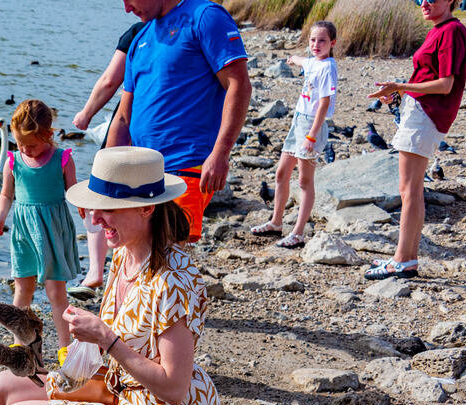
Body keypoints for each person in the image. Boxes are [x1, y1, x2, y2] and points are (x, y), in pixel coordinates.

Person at [0, 147, 224, 405]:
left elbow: (173, 387)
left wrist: (107, 339)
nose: (95, 220)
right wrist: (76, 362)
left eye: (107, 210)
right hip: (116, 390)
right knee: (1, 389)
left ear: (146, 209)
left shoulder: (174, 283)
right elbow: (108, 347)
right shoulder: (125, 256)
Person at [105, 0, 251, 243]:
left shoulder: (205, 16)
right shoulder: (140, 37)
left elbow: (239, 85)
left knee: (169, 258)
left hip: (184, 168)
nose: (127, 8)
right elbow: (122, 118)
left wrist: (220, 153)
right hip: (140, 173)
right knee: (132, 259)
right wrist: (104, 180)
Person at [365, 0, 466, 280]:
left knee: (410, 191)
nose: (424, 3)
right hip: (420, 112)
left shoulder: (451, 30)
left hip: (427, 115)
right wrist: (399, 94)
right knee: (408, 190)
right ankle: (406, 258)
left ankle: (403, 260)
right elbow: (429, 79)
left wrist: (401, 86)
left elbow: (445, 84)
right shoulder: (439, 29)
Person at [0, 99, 80, 358]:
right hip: (24, 233)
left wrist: (86, 207)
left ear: (49, 135)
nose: (25, 150)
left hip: (52, 231)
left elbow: (72, 191)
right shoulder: (13, 161)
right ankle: (19, 344)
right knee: (23, 289)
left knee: (56, 292)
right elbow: (7, 195)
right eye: (20, 144)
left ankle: (66, 348)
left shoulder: (62, 159)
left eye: (32, 145)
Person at [70, 19, 147, 291]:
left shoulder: (138, 32)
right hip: (166, 130)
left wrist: (86, 113)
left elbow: (110, 79)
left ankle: (95, 272)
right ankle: (140, 269)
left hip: (128, 123)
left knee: (100, 195)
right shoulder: (186, 32)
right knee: (148, 201)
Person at [250, 21, 338, 248]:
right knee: (281, 174)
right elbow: (303, 61)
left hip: (311, 125)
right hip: (297, 120)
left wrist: (311, 135)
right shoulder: (314, 62)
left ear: (332, 43)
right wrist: (292, 59)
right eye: (312, 40)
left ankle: (298, 233)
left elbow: (324, 104)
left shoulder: (328, 67)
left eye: (322, 41)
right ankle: (276, 222)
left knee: (304, 181)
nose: (316, 45)